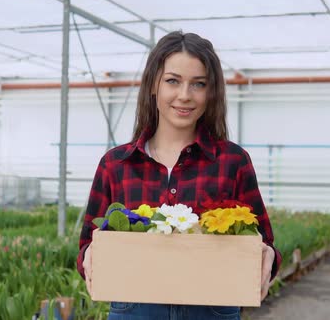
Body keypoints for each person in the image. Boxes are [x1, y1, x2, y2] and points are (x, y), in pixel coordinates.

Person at [77, 31, 282, 320]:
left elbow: (264, 243)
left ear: (211, 93)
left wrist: (267, 256)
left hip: (212, 309)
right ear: (153, 85)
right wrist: (89, 255)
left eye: (198, 84)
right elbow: (88, 243)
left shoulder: (233, 162)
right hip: (134, 309)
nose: (185, 95)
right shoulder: (116, 164)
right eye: (173, 81)